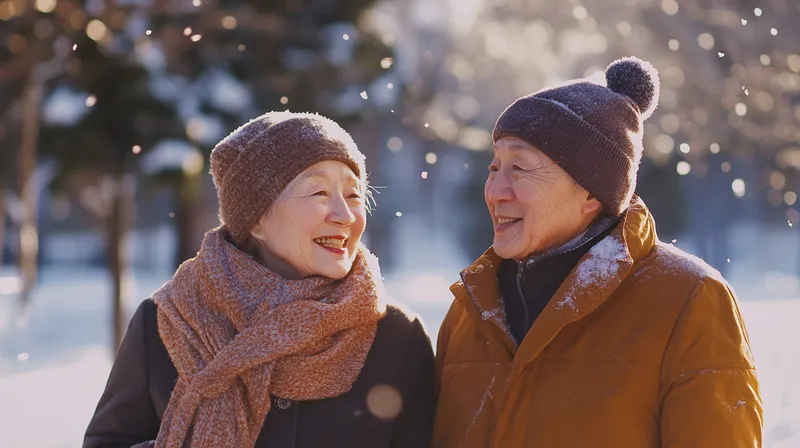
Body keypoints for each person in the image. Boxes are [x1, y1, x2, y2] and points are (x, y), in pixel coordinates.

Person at [432, 57, 762, 447]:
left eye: (519, 168)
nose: (495, 191)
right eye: (494, 167)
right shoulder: (471, 312)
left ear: (591, 193)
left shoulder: (689, 302)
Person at [84, 111, 436, 448]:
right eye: (319, 193)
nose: (344, 215)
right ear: (255, 220)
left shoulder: (396, 336)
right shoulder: (168, 322)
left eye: (354, 195)